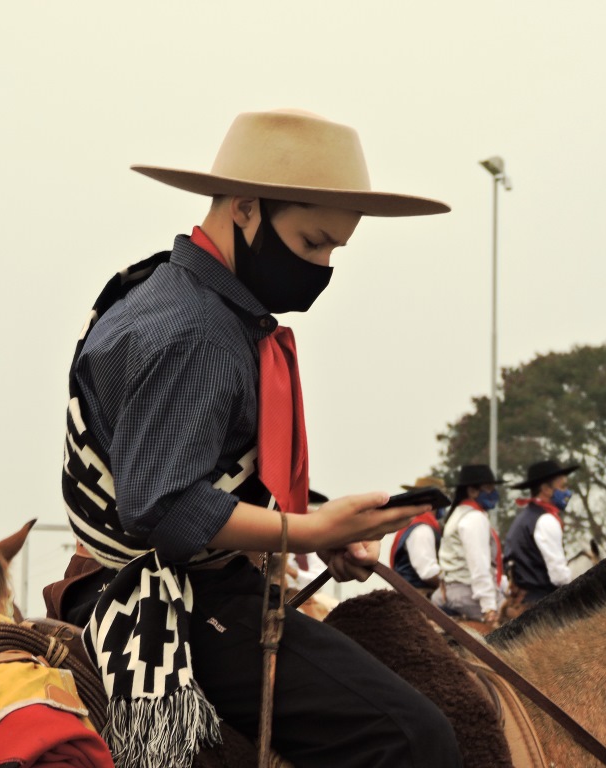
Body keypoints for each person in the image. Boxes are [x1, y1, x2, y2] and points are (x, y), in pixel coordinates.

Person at [60, 109, 462, 768]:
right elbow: (162, 507)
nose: (324, 267)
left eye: (334, 249)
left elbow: (207, 467)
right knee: (413, 738)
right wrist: (304, 533)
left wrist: (322, 524)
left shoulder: (167, 291)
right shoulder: (196, 331)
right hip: (179, 602)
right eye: (311, 243)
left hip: (155, 585)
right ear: (246, 208)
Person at [434, 464, 504, 624]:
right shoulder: (474, 518)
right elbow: (479, 564)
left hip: (451, 591)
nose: (493, 493)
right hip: (468, 594)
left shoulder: (459, 513)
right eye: (488, 488)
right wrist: (489, 607)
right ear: (472, 491)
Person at [503, 459, 577, 606]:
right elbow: (559, 577)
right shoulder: (546, 520)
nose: (566, 492)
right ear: (546, 489)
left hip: (523, 599)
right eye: (562, 486)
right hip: (541, 603)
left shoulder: (524, 517)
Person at [389, 476, 450, 595]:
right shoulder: (422, 529)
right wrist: (452, 584)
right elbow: (428, 572)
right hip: (419, 598)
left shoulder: (415, 524)